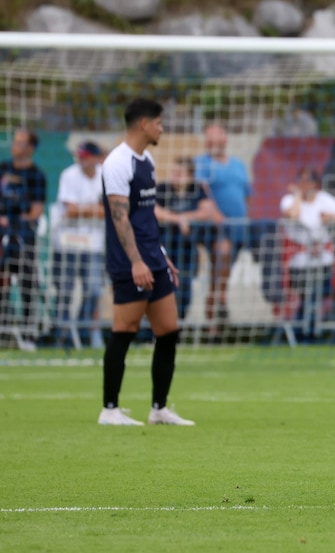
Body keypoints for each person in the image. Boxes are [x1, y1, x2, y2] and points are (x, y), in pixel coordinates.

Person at [98, 98, 194, 426]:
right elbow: (120, 217)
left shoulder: (147, 160)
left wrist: (161, 257)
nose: (161, 129)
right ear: (143, 124)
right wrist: (137, 261)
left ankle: (159, 409)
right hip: (129, 262)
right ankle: (109, 409)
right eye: (158, 123)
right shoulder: (116, 163)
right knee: (124, 329)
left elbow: (146, 215)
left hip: (153, 258)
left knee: (168, 330)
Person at [279, 166, 335, 336]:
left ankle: (326, 326)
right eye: (300, 180)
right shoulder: (289, 200)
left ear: (315, 183)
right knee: (307, 293)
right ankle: (306, 328)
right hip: (300, 262)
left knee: (328, 286)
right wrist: (297, 195)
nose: (304, 184)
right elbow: (293, 214)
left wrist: (331, 217)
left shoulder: (323, 199)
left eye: (308, 180)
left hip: (323, 261)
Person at [194, 123, 252, 326]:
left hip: (238, 226)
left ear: (225, 140)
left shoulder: (238, 165)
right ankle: (217, 305)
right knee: (222, 254)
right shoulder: (201, 163)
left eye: (216, 138)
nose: (213, 143)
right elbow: (203, 192)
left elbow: (247, 195)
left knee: (222, 270)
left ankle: (219, 305)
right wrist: (216, 215)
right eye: (209, 139)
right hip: (215, 227)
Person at [51, 141, 106, 349]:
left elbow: (107, 211)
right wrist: (95, 209)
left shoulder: (104, 175)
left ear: (94, 157)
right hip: (67, 242)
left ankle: (82, 330)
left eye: (85, 156)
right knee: (64, 289)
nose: (82, 159)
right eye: (80, 156)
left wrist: (84, 209)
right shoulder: (69, 174)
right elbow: (70, 210)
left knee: (93, 289)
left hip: (93, 244)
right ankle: (63, 335)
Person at [155, 157, 223, 320]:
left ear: (190, 175)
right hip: (164, 247)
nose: (175, 176)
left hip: (186, 250)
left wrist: (185, 217)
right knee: (161, 288)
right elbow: (153, 211)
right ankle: (154, 331)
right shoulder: (163, 189)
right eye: (174, 172)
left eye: (179, 173)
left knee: (184, 287)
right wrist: (178, 219)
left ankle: (178, 324)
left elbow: (207, 212)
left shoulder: (197, 189)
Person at [0, 128, 46, 351]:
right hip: (1, 237)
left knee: (28, 284)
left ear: (30, 148)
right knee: (3, 283)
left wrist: (19, 221)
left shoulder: (37, 175)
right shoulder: (3, 169)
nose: (15, 146)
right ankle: (4, 330)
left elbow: (37, 210)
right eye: (14, 142)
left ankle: (28, 334)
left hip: (24, 238)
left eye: (20, 142)